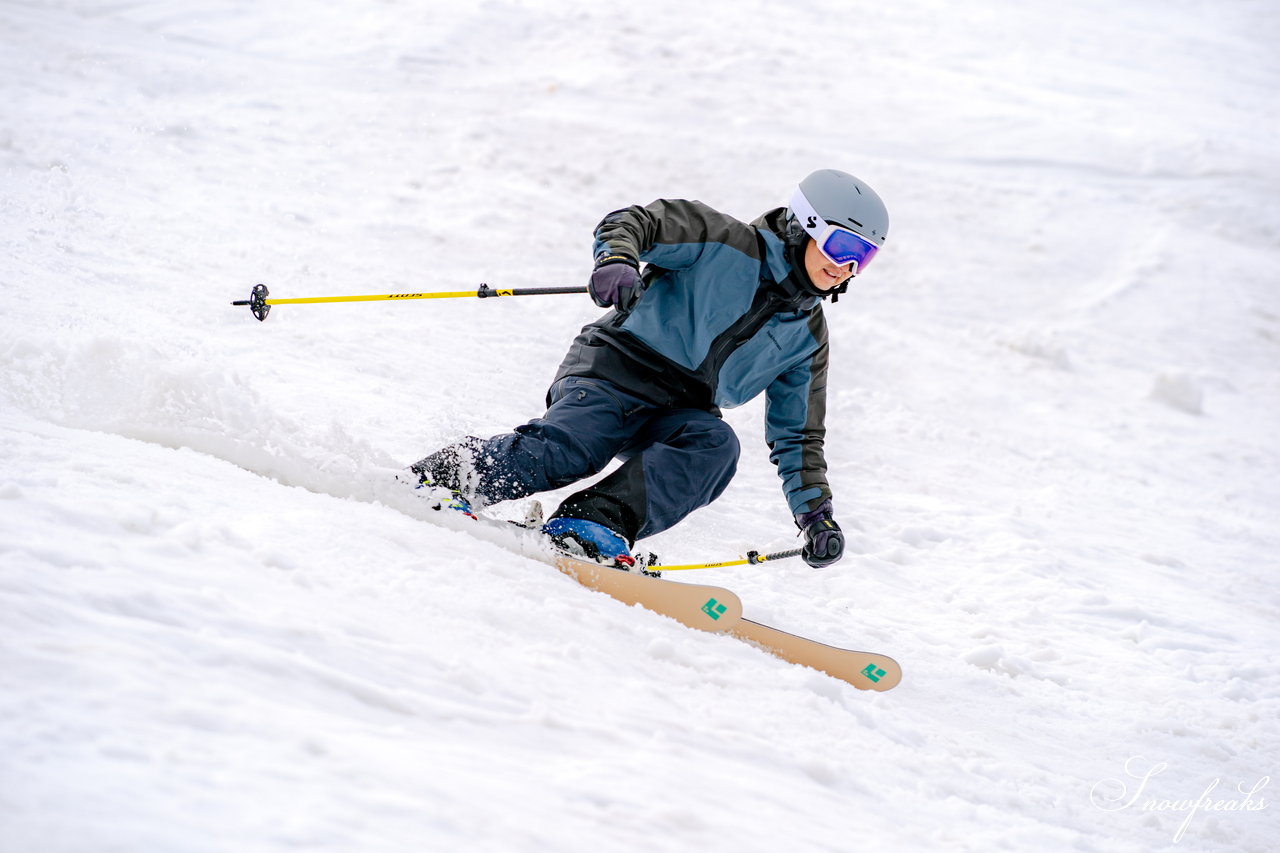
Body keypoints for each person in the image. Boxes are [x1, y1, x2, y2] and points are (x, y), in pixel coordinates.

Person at [410, 169, 889, 570]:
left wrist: (816, 515)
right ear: (804, 224)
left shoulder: (807, 336)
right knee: (575, 449)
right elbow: (636, 222)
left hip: (681, 408)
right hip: (613, 369)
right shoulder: (722, 239)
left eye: (862, 257)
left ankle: (593, 525)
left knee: (715, 446)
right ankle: (448, 478)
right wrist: (617, 260)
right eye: (842, 245)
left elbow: (797, 437)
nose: (846, 266)